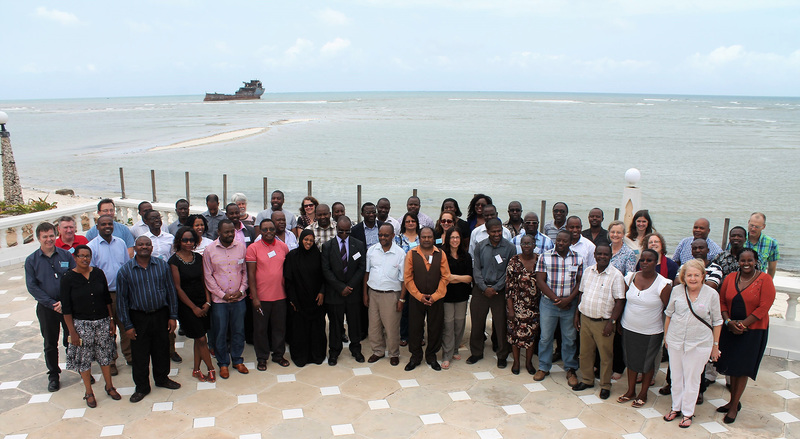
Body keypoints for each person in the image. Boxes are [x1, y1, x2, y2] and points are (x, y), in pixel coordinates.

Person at [116, 236, 181, 403]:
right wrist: (127, 325)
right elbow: (122, 301)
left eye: (147, 244)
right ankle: (142, 387)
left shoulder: (161, 266)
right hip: (138, 317)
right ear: (135, 247)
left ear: (152, 248)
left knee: (161, 349)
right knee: (140, 354)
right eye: (140, 244)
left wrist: (173, 316)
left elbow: (170, 291)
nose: (144, 247)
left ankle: (162, 379)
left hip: (160, 314)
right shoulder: (125, 271)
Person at [715, 248, 776, 424]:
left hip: (753, 331)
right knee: (732, 366)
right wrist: (728, 323)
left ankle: (734, 406)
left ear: (756, 261)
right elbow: (722, 301)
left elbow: (764, 307)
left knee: (742, 369)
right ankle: (733, 401)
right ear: (738, 262)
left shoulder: (765, 280)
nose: (746, 264)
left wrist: (742, 325)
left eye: (750, 260)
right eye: (743, 260)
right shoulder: (730, 278)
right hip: (730, 329)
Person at [662, 259, 722, 428]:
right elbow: (669, 315)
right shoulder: (677, 291)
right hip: (675, 341)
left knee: (692, 379)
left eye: (696, 275)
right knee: (676, 376)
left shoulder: (711, 294)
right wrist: (666, 337)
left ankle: (688, 413)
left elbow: (717, 321)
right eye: (689, 275)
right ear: (684, 276)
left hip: (700, 344)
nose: (693, 278)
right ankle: (676, 408)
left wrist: (715, 346)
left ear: (703, 276)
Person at [62, 245, 120, 408]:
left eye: (87, 256)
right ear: (75, 257)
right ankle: (89, 392)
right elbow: (66, 308)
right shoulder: (68, 278)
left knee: (105, 356)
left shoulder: (98, 274)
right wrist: (71, 332)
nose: (85, 259)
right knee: (84, 359)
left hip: (102, 321)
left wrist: (110, 319)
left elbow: (106, 299)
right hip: (82, 324)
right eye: (81, 256)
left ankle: (109, 386)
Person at [617, 249, 672, 408]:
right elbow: (622, 301)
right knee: (631, 360)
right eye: (643, 260)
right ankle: (631, 391)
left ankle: (643, 393)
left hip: (651, 332)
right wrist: (619, 321)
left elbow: (668, 310)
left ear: (656, 263)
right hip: (628, 327)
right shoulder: (630, 278)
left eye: (649, 260)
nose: (645, 263)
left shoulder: (663, 284)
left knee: (647, 363)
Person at [25, 222, 76, 392]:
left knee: (72, 338)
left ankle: (78, 367)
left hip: (67, 306)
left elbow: (73, 278)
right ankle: (54, 374)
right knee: (50, 342)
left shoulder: (65, 255)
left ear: (56, 236)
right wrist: (51, 304)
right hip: (47, 308)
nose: (49, 239)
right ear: (38, 238)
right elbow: (32, 287)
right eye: (45, 237)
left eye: (51, 236)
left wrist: (64, 301)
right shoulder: (32, 260)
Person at [572, 244, 626, 400]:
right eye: (599, 254)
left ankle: (605, 385)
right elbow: (581, 294)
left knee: (605, 356)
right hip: (586, 318)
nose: (602, 257)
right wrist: (577, 315)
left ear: (610, 256)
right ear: (594, 255)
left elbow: (619, 301)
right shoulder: (588, 271)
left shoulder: (616, 275)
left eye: (606, 254)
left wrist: (612, 322)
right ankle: (588, 380)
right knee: (585, 353)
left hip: (604, 322)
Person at [533, 230, 582, 386]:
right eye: (558, 240)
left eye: (564, 241)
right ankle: (543, 367)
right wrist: (556, 299)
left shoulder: (577, 258)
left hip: (570, 304)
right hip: (549, 304)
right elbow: (540, 281)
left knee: (569, 339)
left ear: (570, 242)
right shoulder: (545, 256)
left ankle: (570, 369)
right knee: (546, 337)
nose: (560, 243)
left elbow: (580, 282)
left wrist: (568, 299)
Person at [202, 220, 249, 379]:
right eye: (226, 232)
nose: (230, 234)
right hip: (219, 301)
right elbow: (208, 276)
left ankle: (237, 359)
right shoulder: (209, 250)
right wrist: (222, 295)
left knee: (239, 330)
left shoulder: (241, 247)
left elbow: (245, 272)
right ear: (218, 232)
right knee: (220, 332)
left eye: (232, 232)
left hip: (239, 299)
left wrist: (241, 290)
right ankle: (223, 363)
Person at [467, 219, 516, 368]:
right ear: (487, 232)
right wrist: (483, 287)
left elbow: (510, 271)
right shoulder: (480, 246)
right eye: (493, 231)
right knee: (477, 323)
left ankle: (502, 355)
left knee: (501, 324)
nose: (497, 234)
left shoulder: (510, 248)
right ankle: (476, 352)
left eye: (499, 231)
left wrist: (496, 288)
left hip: (500, 292)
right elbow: (476, 269)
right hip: (480, 290)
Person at [88, 215, 132, 375]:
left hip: (122, 292)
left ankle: (130, 355)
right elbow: (91, 274)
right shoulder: (92, 247)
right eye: (103, 224)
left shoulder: (120, 243)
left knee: (125, 324)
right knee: (107, 329)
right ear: (97, 226)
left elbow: (127, 266)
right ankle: (111, 360)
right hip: (104, 295)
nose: (107, 226)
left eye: (110, 224)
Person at [169, 227, 214, 382]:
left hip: (203, 302)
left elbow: (205, 281)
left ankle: (196, 369)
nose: (189, 243)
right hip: (187, 306)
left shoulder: (198, 258)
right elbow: (177, 287)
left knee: (199, 337)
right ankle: (210, 368)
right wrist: (193, 308)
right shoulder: (174, 261)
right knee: (201, 339)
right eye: (185, 240)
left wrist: (208, 302)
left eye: (191, 240)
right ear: (179, 241)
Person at [321, 216, 367, 365]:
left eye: (347, 231)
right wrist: (341, 287)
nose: (344, 234)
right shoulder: (328, 246)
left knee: (354, 323)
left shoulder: (358, 245)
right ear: (336, 229)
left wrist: (350, 286)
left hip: (353, 293)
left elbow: (361, 267)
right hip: (335, 293)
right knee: (335, 324)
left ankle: (356, 349)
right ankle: (334, 351)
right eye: (341, 231)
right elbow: (326, 270)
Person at [403, 227, 450, 371]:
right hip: (417, 299)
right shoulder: (411, 254)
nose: (427, 239)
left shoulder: (440, 254)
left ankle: (431, 356)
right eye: (424, 237)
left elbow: (445, 277)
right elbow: (408, 277)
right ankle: (415, 357)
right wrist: (419, 296)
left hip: (436, 299)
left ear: (433, 238)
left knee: (435, 327)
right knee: (415, 328)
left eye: (429, 237)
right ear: (419, 237)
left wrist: (435, 296)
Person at [247, 218, 291, 370]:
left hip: (280, 296)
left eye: (271, 229)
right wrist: (255, 297)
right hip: (261, 298)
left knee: (279, 328)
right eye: (264, 229)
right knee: (260, 330)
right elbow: (251, 275)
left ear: (275, 230)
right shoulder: (253, 248)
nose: (268, 232)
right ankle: (262, 357)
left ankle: (278, 355)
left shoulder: (283, 247)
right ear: (260, 231)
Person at [363, 224, 406, 366]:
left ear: (393, 236)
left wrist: (401, 299)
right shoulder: (371, 251)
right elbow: (367, 273)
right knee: (374, 326)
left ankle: (394, 353)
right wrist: (365, 294)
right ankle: (378, 351)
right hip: (373, 293)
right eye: (380, 235)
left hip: (391, 295)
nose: (382, 238)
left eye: (386, 235)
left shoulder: (400, 254)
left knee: (391, 327)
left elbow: (404, 280)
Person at [284, 229, 327, 366]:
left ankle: (317, 356)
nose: (308, 243)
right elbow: (288, 280)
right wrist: (292, 299)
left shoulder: (319, 256)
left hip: (316, 301)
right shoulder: (292, 256)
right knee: (299, 330)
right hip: (299, 301)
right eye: (306, 239)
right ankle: (301, 357)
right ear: (300, 240)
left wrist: (322, 292)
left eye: (311, 240)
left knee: (316, 330)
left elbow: (325, 276)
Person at [506, 234, 541, 376]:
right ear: (520, 245)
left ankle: (528, 362)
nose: (526, 246)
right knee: (515, 336)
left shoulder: (539, 260)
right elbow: (509, 286)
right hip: (517, 305)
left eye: (529, 243)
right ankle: (516, 362)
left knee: (530, 336)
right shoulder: (514, 261)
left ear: (534, 245)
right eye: (524, 243)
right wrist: (511, 309)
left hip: (534, 306)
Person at [441, 228, 472, 369]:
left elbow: (469, 278)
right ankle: (446, 355)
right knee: (448, 324)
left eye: (457, 237)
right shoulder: (442, 255)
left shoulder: (466, 256)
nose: (455, 240)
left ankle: (455, 349)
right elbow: (443, 278)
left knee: (459, 324)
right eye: (452, 237)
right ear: (448, 239)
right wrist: (457, 278)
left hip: (462, 296)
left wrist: (453, 277)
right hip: (446, 296)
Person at [395, 212, 420, 346]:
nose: (410, 223)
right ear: (404, 224)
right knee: (405, 308)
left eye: (413, 221)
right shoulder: (398, 239)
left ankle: (419, 335)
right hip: (403, 279)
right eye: (408, 221)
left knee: (419, 310)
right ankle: (404, 335)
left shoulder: (422, 237)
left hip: (420, 278)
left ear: (417, 223)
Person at [744, 212, 780, 277]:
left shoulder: (772, 243)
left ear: (763, 227)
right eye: (751, 225)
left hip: (759, 280)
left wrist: (768, 283)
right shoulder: (739, 239)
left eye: (757, 227)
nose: (753, 229)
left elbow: (771, 268)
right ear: (748, 222)